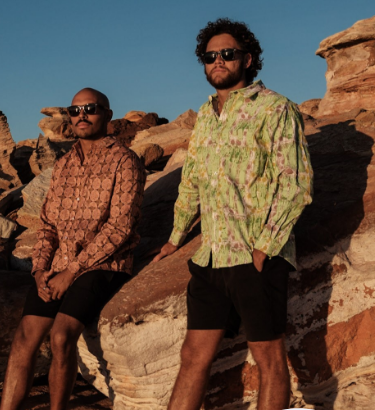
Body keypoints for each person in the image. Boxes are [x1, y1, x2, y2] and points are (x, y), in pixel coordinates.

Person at [152, 19, 313, 410]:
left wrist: (266, 247)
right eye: (210, 56)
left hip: (255, 255)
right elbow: (191, 180)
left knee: (270, 361)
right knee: (192, 357)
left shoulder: (276, 108)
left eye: (228, 54)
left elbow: (296, 184)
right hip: (210, 258)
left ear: (248, 58)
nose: (218, 61)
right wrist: (176, 236)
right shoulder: (205, 115)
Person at [0, 88, 146, 410]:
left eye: (90, 109)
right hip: (58, 266)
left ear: (107, 115)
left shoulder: (125, 161)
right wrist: (39, 269)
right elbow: (48, 225)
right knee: (24, 338)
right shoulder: (64, 165)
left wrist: (72, 271)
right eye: (75, 110)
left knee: (61, 336)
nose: (82, 116)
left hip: (103, 265)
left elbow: (120, 227)